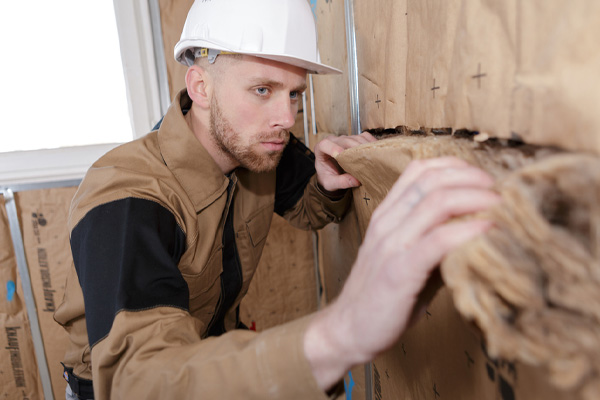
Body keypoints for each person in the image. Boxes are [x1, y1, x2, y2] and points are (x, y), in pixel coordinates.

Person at [55, 0, 500, 399]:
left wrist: (326, 183)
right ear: (201, 87)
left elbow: (307, 209)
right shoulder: (128, 198)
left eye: (294, 94)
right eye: (262, 90)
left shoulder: (253, 144)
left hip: (211, 355)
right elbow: (140, 382)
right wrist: (343, 331)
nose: (285, 118)